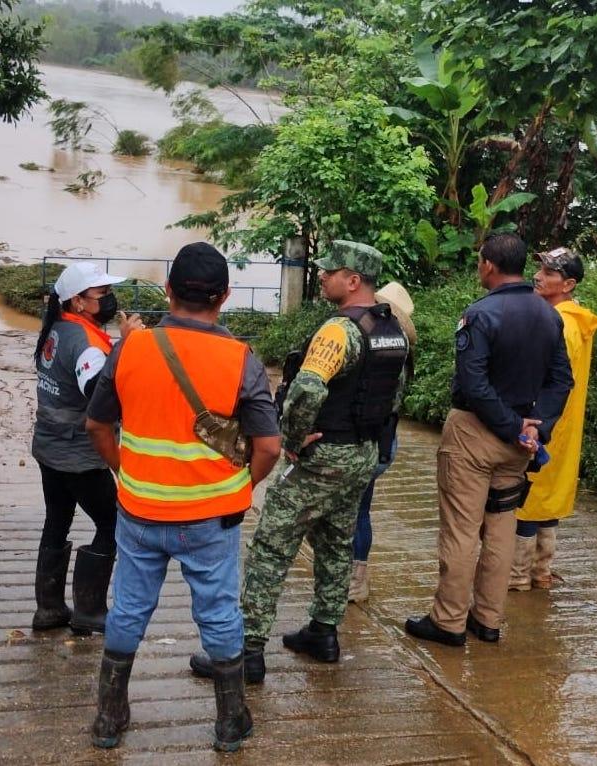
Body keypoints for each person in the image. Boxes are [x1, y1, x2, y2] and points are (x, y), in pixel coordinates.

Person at [84, 243, 281, 752]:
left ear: (168, 290)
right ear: (226, 297)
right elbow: (269, 446)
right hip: (212, 517)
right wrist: (242, 486)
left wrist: (126, 472)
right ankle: (230, 720)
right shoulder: (241, 360)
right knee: (218, 612)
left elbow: (97, 425)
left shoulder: (132, 348)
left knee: (128, 607)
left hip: (140, 509)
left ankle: (109, 716)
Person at [191, 240, 408, 683]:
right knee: (336, 542)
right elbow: (396, 394)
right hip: (363, 454)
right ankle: (324, 632)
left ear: (353, 280)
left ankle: (248, 650)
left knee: (271, 545)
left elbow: (308, 388)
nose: (322, 277)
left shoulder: (337, 332)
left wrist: (291, 439)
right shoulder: (392, 331)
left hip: (321, 456)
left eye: (330, 272)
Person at [405, 233, 573, 647]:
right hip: (518, 443)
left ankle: (448, 622)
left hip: (475, 435)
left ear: (489, 266)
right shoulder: (550, 316)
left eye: (481, 261)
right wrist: (534, 427)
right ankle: (489, 620)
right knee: (501, 527)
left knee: (462, 530)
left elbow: (473, 383)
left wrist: (511, 425)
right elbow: (561, 380)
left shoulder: (480, 315)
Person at [31, 261, 143, 635]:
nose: (110, 300)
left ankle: (48, 609)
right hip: (79, 454)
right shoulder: (87, 343)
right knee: (111, 523)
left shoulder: (57, 331)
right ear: (77, 302)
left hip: (48, 447)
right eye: (102, 295)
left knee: (57, 520)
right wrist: (126, 345)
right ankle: (90, 610)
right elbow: (96, 395)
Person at [510, 247, 597, 590]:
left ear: (569, 284)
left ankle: (517, 576)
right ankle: (540, 571)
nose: (539, 276)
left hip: (545, 423)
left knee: (529, 500)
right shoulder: (576, 319)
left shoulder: (560, 325)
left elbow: (543, 378)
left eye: (549, 273)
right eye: (540, 269)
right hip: (564, 426)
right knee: (548, 500)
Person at [348, 281, 417, 603]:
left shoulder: (374, 345)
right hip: (385, 441)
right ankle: (356, 579)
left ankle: (349, 580)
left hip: (363, 441)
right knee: (361, 510)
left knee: (351, 511)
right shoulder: (401, 347)